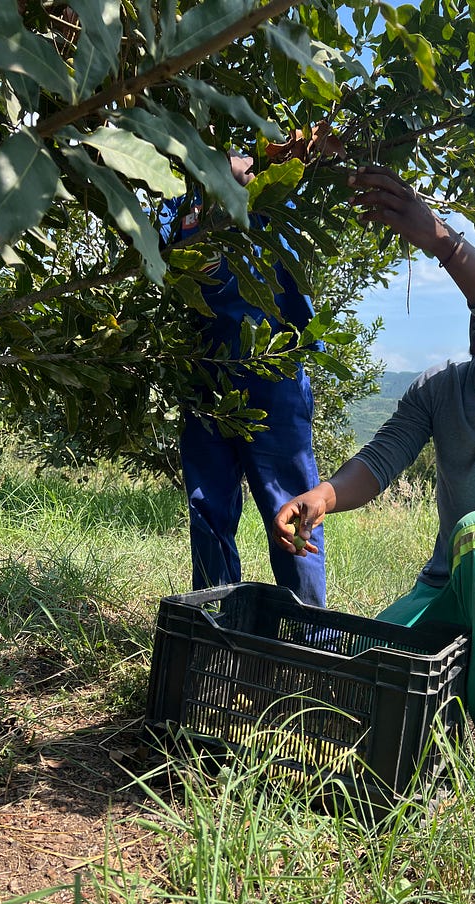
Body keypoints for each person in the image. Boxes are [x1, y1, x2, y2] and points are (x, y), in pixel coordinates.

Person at [272, 165, 475, 827]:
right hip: (446, 585)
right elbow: (384, 457)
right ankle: (427, 751)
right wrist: (325, 496)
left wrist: (444, 242)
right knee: (359, 666)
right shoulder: (439, 389)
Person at [160, 152, 326, 606]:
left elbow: (289, 241)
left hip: (274, 373)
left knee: (293, 508)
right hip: (205, 372)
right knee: (207, 508)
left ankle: (308, 635)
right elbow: (166, 256)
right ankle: (217, 629)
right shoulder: (177, 200)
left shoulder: (268, 185)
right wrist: (206, 191)